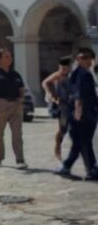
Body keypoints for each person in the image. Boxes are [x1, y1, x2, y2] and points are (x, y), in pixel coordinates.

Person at [58, 47, 98, 179]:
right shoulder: (82, 74)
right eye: (83, 57)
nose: (87, 60)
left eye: (89, 58)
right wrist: (78, 112)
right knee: (83, 142)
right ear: (78, 59)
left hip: (85, 112)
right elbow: (78, 95)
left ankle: (69, 167)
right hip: (83, 114)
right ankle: (90, 169)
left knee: (81, 142)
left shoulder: (82, 73)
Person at [0, 48, 27, 168]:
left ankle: (20, 159)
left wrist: (21, 100)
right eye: (6, 56)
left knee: (17, 134)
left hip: (15, 105)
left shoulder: (15, 74)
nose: (10, 58)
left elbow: (22, 89)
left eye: (10, 56)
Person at [42, 56, 73, 161]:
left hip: (73, 104)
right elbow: (45, 82)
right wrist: (51, 94)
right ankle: (57, 148)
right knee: (63, 129)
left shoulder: (73, 75)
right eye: (62, 68)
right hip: (63, 105)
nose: (63, 70)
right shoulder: (58, 75)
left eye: (66, 68)